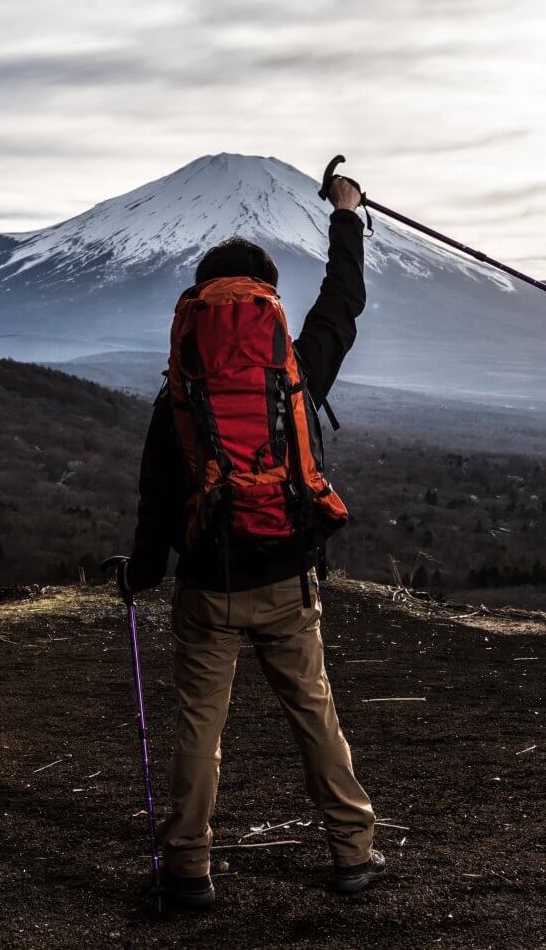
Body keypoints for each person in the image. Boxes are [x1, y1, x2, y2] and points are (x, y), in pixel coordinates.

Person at [118, 175, 383, 909]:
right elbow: (343, 302)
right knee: (314, 713)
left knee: (200, 724)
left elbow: (157, 501)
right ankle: (353, 853)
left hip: (207, 584)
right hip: (289, 580)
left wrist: (142, 573)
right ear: (266, 301)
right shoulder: (294, 371)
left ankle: (187, 870)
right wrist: (346, 216)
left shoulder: (178, 394)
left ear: (199, 308)